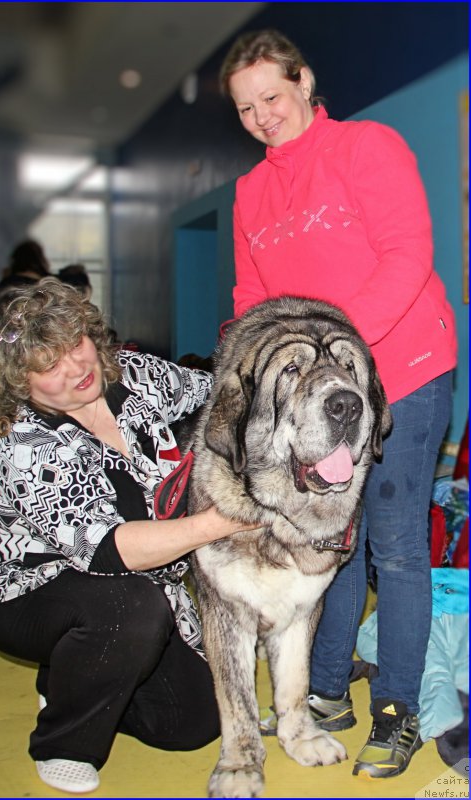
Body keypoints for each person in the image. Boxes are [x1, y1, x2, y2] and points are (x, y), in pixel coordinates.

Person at [219, 29, 457, 779]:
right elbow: (251, 298)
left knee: (392, 543)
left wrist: (331, 361)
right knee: (326, 536)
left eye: (272, 97)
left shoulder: (366, 147)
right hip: (309, 402)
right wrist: (239, 377)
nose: (262, 116)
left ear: (304, 82)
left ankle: (397, 710)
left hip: (401, 372)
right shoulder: (251, 191)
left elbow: (406, 254)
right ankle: (323, 691)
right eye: (245, 108)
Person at [0, 277, 255, 794]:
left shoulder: (135, 376)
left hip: (135, 588)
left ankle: (72, 679)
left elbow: (217, 390)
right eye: (49, 366)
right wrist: (220, 523)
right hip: (30, 593)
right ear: (16, 382)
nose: (76, 368)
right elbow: (111, 549)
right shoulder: (24, 444)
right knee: (132, 606)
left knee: (194, 725)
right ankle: (63, 742)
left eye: (76, 345)